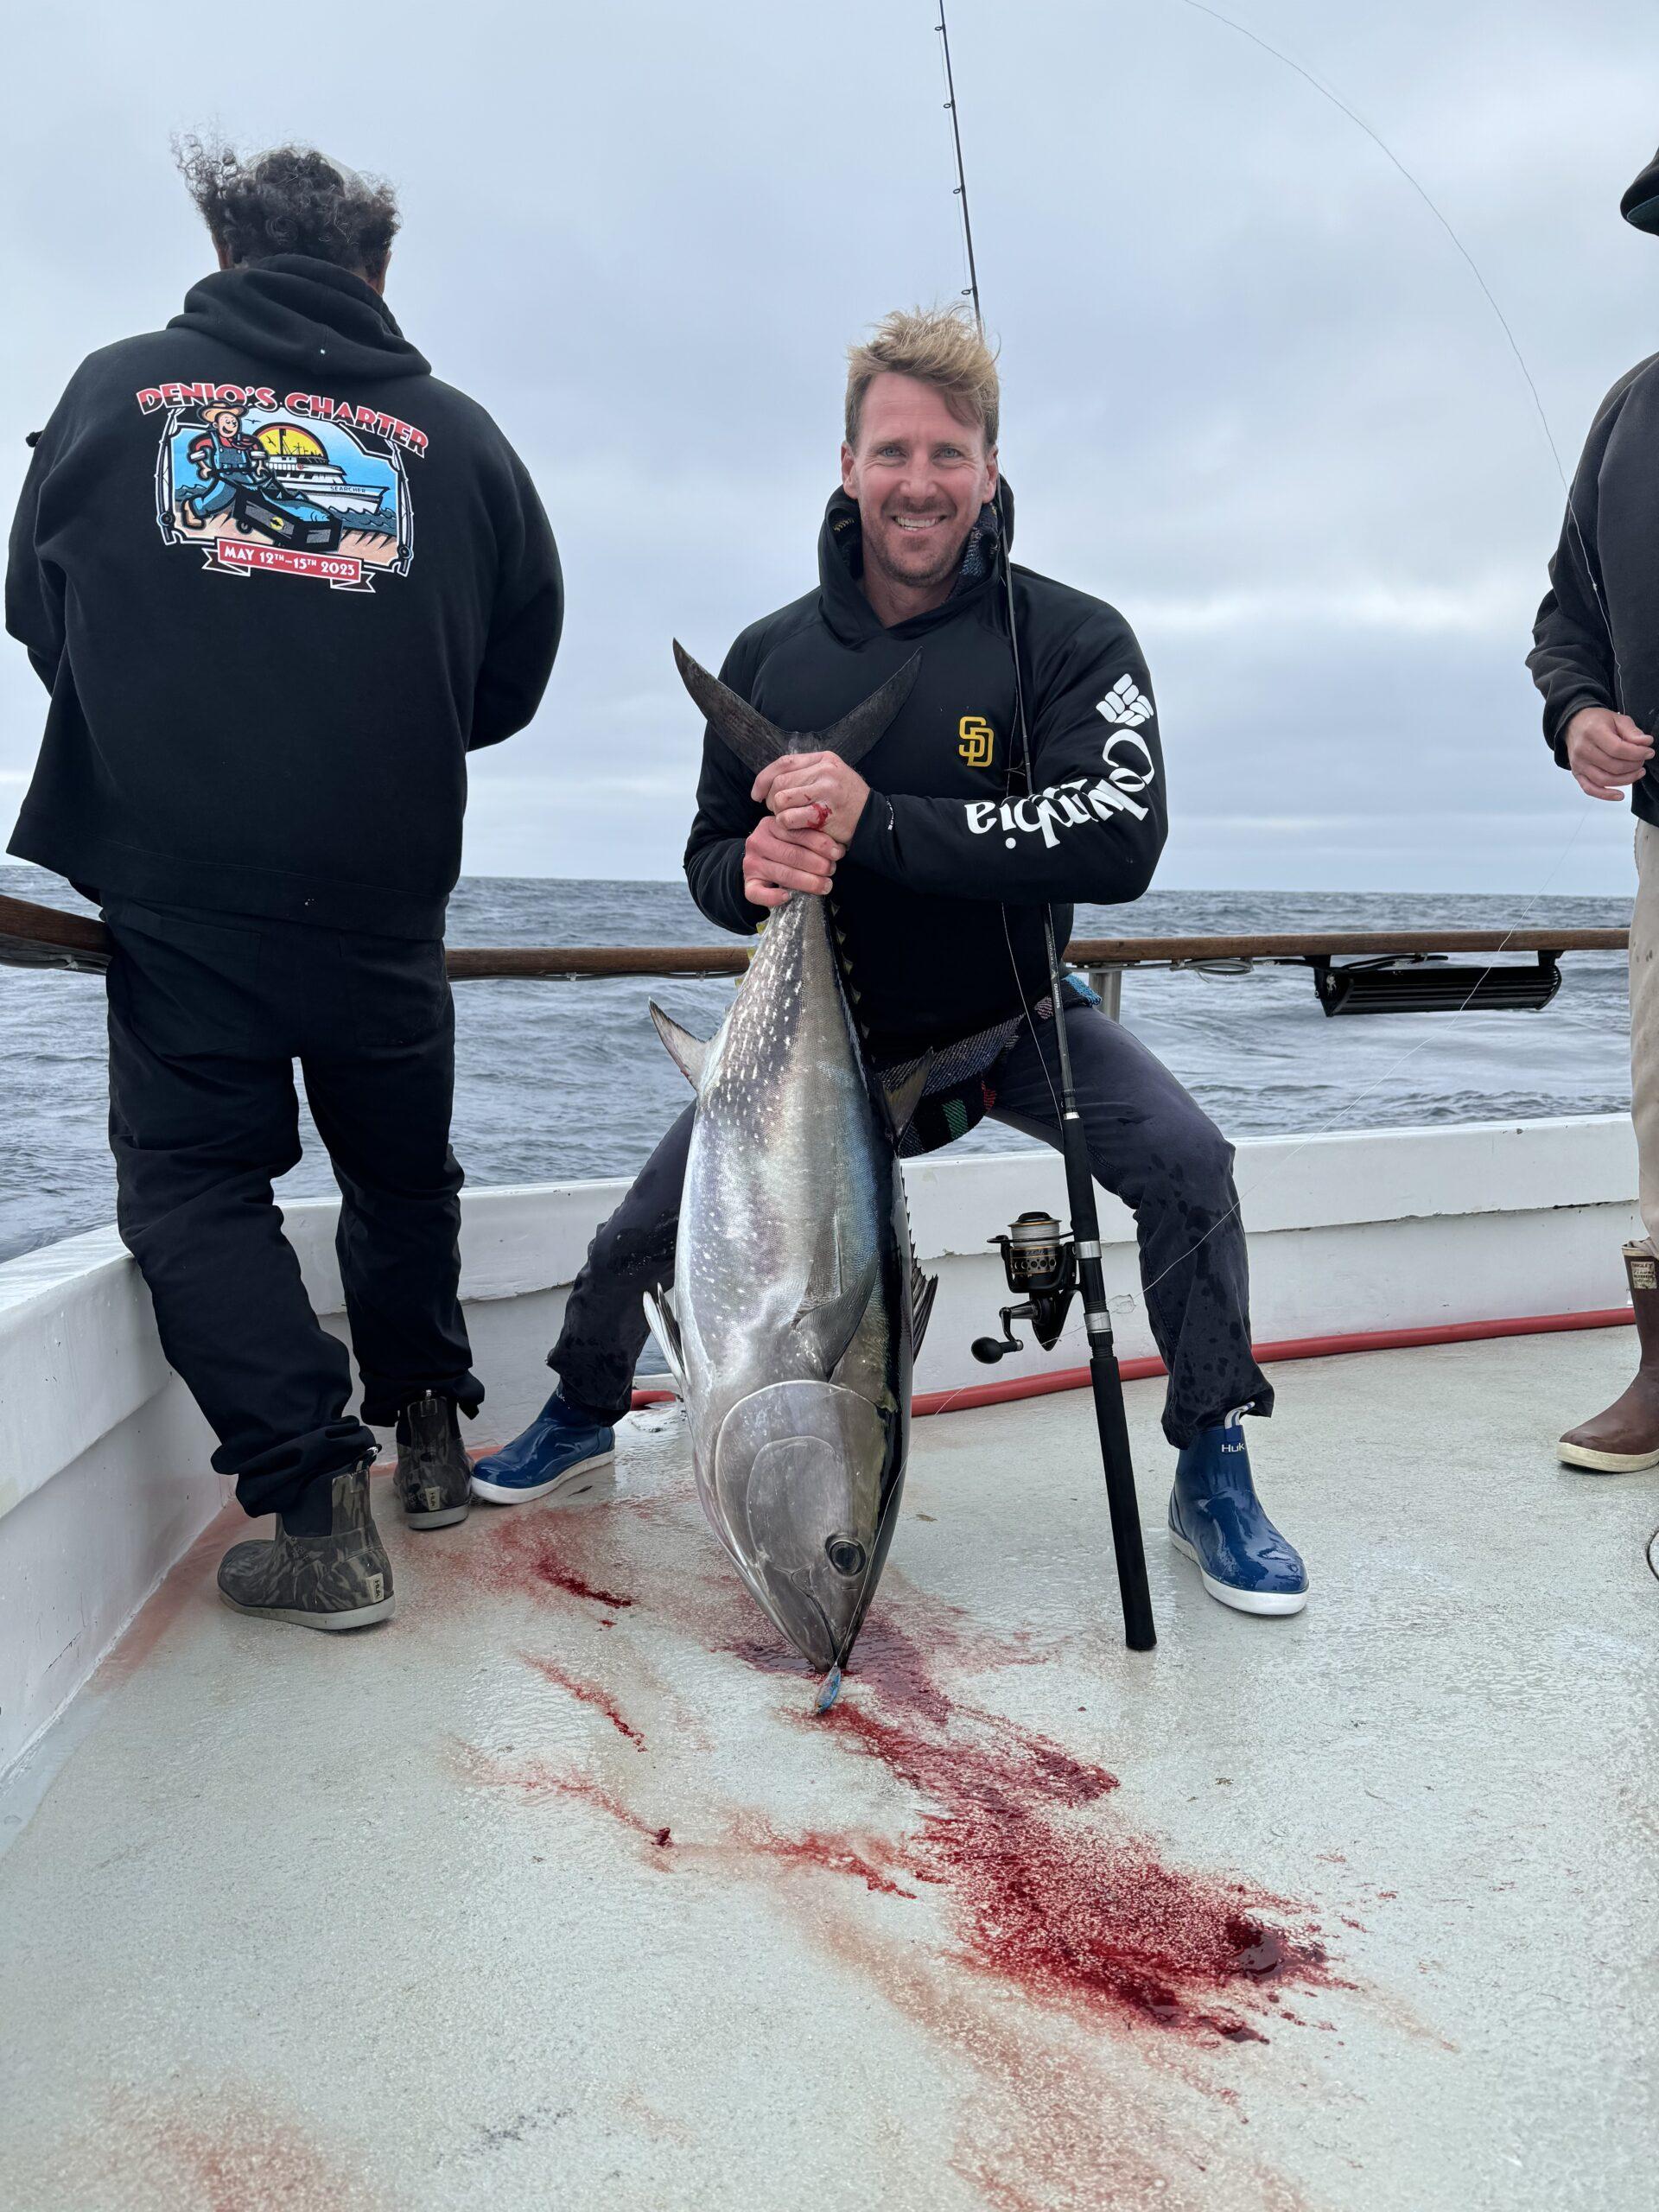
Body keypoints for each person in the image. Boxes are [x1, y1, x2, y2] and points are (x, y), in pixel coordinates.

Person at [474, 306, 1308, 1618]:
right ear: (848, 462)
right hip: (823, 1052)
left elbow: (1122, 831)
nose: (920, 484)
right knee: (643, 1235)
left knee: (1190, 1168)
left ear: (990, 467)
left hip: (1013, 1018)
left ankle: (1213, 1458)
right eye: (893, 451)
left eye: (950, 454)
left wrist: (884, 822)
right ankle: (583, 1414)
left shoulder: (1072, 639)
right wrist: (744, 875)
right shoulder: (769, 656)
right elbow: (708, 853)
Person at [5, 141, 562, 1630]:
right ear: (376, 271)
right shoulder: (464, 436)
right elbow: (511, 677)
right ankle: (432, 1439)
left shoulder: (115, 391)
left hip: (178, 890)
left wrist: (172, 713)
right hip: (385, 888)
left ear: (222, 248)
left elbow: (34, 609)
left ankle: (321, 1508)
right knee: (398, 1174)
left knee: (195, 1183)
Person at [1530, 142, 1659, 1477]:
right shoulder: (1632, 410)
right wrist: (1574, 713)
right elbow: (1566, 614)